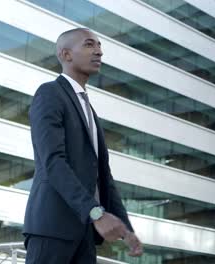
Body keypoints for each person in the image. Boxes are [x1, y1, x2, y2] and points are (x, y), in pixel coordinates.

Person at [23, 28, 143, 263]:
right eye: (89, 45)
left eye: (99, 46)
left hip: (85, 235)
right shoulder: (50, 93)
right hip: (53, 229)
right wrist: (96, 213)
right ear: (66, 54)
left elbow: (103, 177)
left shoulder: (88, 109)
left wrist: (125, 228)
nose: (99, 51)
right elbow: (53, 162)